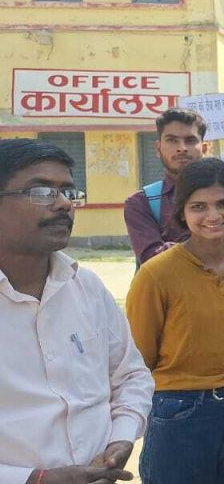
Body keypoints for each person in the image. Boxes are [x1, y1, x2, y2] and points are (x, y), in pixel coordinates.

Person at [0, 139, 154, 484]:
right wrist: (34, 479)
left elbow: (131, 376)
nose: (63, 204)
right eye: (41, 192)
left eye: (69, 192)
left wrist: (121, 438)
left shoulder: (86, 287)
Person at [126, 158, 224, 483]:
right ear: (182, 212)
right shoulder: (156, 273)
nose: (213, 216)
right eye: (199, 207)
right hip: (181, 413)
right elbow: (140, 358)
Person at [124, 108, 224, 265]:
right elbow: (152, 258)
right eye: (172, 140)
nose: (181, 148)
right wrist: (222, 238)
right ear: (158, 148)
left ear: (205, 148)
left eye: (190, 140)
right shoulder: (142, 202)